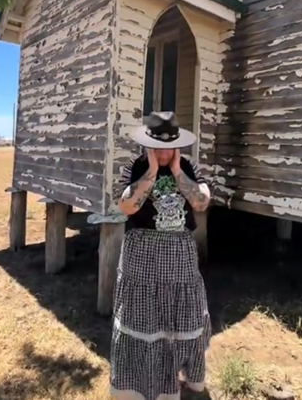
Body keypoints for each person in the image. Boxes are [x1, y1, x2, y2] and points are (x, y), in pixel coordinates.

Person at [109, 112, 212, 400]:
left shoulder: (187, 166)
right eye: (158, 148)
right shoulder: (135, 167)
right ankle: (138, 386)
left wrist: (178, 171)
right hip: (141, 252)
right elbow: (127, 207)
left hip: (179, 251)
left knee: (184, 317)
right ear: (147, 146)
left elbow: (201, 203)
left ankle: (181, 380)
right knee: (143, 319)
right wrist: (152, 171)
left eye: (170, 147)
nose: (165, 153)